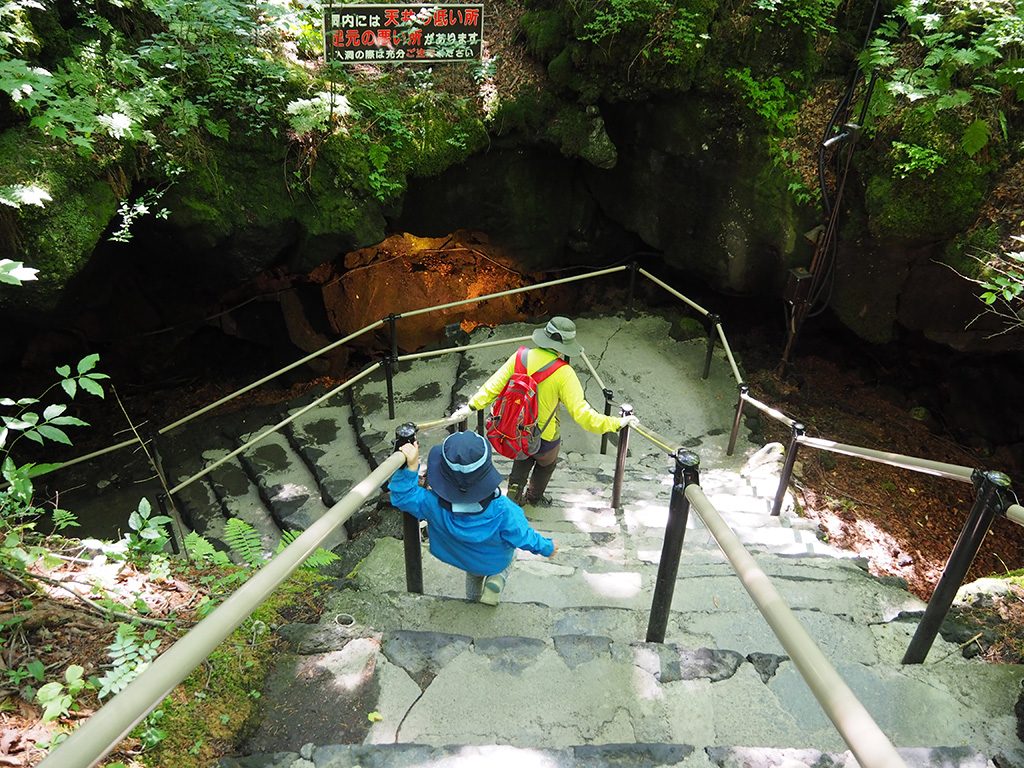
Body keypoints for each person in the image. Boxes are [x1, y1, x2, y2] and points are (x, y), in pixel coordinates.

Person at [452, 316, 640, 506]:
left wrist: (470, 407)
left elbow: (492, 387)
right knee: (546, 464)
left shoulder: (520, 357)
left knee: (522, 454)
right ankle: (534, 496)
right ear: (565, 345)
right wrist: (617, 423)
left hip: (515, 429)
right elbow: (582, 414)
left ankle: (514, 494)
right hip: (545, 436)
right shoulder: (564, 373)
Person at [389, 430, 557, 605]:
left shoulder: (432, 505)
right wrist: (547, 547)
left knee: (473, 576)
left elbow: (403, 495)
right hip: (495, 560)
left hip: (467, 559)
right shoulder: (504, 509)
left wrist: (411, 467)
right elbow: (523, 536)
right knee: (512, 554)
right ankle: (497, 578)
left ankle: (473, 602)